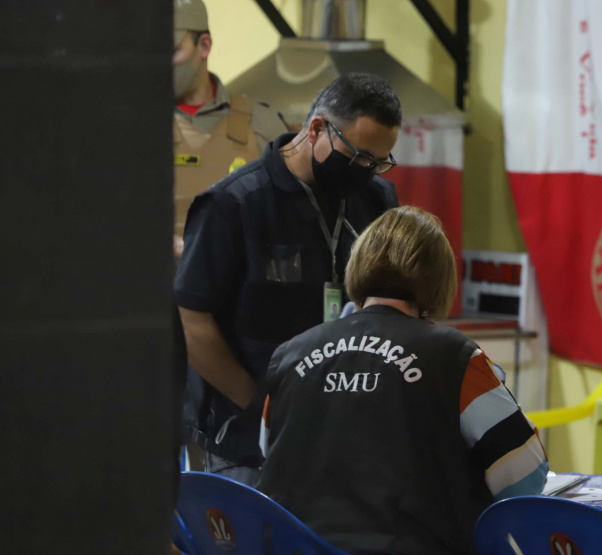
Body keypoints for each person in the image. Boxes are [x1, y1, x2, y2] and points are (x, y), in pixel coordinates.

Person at [258, 206, 548, 555]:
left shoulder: (289, 355)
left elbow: (269, 452)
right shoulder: (456, 358)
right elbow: (526, 476)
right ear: (440, 279)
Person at [175, 72, 402, 486]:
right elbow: (192, 322)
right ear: (315, 128)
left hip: (344, 435)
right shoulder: (233, 206)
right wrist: (261, 404)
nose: (366, 172)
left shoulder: (376, 200)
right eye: (357, 157)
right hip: (248, 445)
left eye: (379, 161)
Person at [172, 0, 289, 259]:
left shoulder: (260, 123)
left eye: (173, 50)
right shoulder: (131, 126)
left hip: (235, 291)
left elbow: (294, 215)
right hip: (149, 290)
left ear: (204, 46)